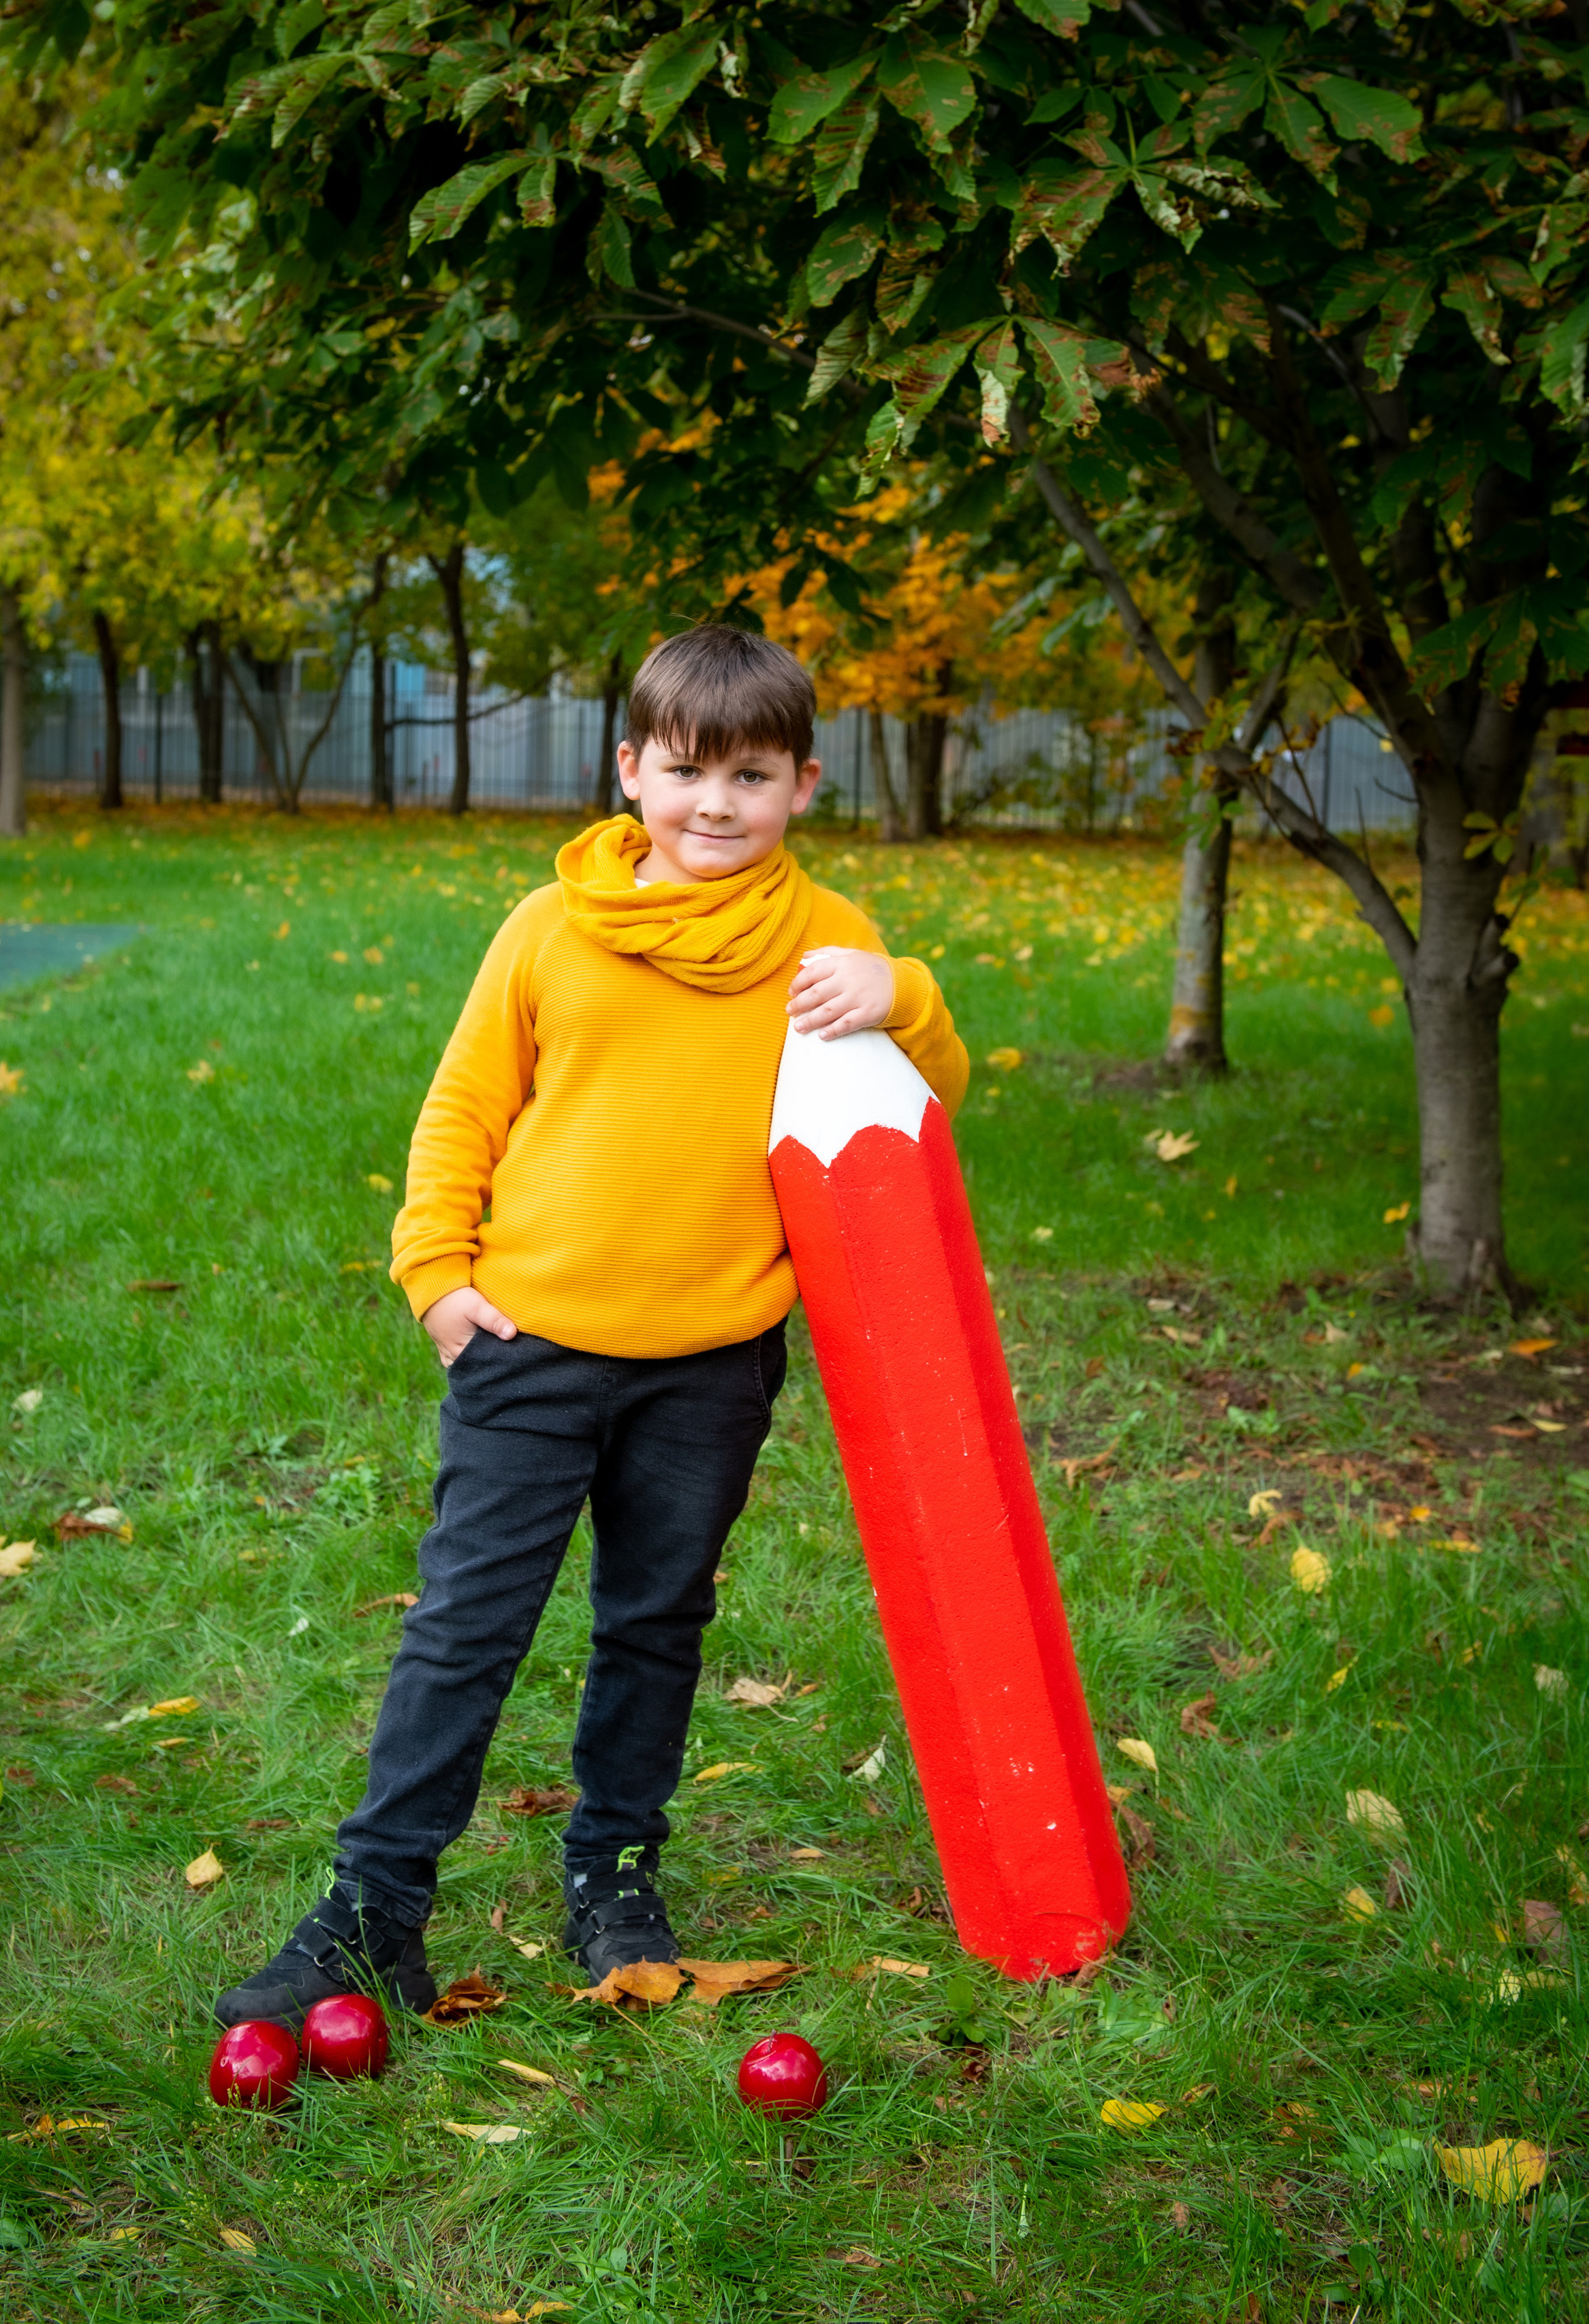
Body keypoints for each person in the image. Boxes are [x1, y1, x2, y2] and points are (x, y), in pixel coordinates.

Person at [215, 625, 969, 2028]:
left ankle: (613, 1870)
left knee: (655, 1620)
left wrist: (904, 996)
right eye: (686, 770)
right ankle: (375, 1906)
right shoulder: (551, 929)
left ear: (803, 783)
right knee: (464, 1625)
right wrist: (436, 1275)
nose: (715, 804)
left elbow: (927, 1101)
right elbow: (461, 1108)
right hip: (530, 1345)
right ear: (629, 770)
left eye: (751, 774)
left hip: (710, 1359)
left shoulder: (829, 945)